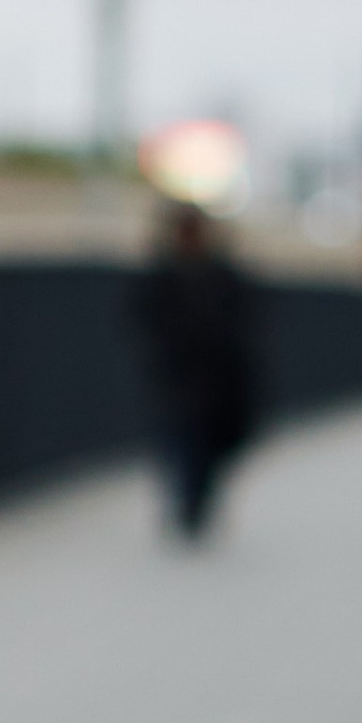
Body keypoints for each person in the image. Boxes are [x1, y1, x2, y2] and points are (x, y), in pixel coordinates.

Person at [131, 199, 261, 537]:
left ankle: (196, 504)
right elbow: (139, 319)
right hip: (177, 378)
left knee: (208, 447)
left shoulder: (222, 274)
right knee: (179, 442)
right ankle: (187, 506)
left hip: (217, 381)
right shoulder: (162, 274)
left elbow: (245, 323)